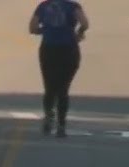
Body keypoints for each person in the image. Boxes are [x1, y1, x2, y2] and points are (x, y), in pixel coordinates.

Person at [29, 0, 89, 138]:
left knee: (49, 86)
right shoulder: (73, 6)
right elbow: (85, 23)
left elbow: (32, 28)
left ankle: (49, 116)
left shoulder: (43, 6)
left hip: (49, 49)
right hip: (69, 49)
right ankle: (61, 125)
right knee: (63, 87)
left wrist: (46, 30)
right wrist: (78, 32)